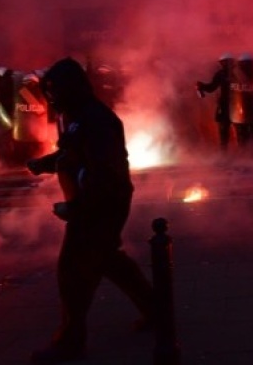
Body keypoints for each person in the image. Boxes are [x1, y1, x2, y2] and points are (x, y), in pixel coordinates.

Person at [26, 57, 155, 364]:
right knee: (110, 261)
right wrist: (45, 164)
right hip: (94, 203)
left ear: (72, 87)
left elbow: (104, 174)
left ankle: (70, 342)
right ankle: (157, 311)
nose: (51, 97)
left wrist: (76, 207)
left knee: (73, 272)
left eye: (55, 90)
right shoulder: (78, 115)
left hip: (100, 206)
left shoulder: (95, 119)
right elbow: (73, 151)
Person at [196, 53, 234, 152]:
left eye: (226, 62)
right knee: (225, 130)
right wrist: (202, 86)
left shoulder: (229, 73)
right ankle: (228, 153)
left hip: (232, 105)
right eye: (223, 63)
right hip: (230, 105)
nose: (225, 65)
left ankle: (230, 153)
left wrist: (202, 86)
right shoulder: (222, 74)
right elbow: (211, 87)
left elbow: (211, 88)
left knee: (228, 130)